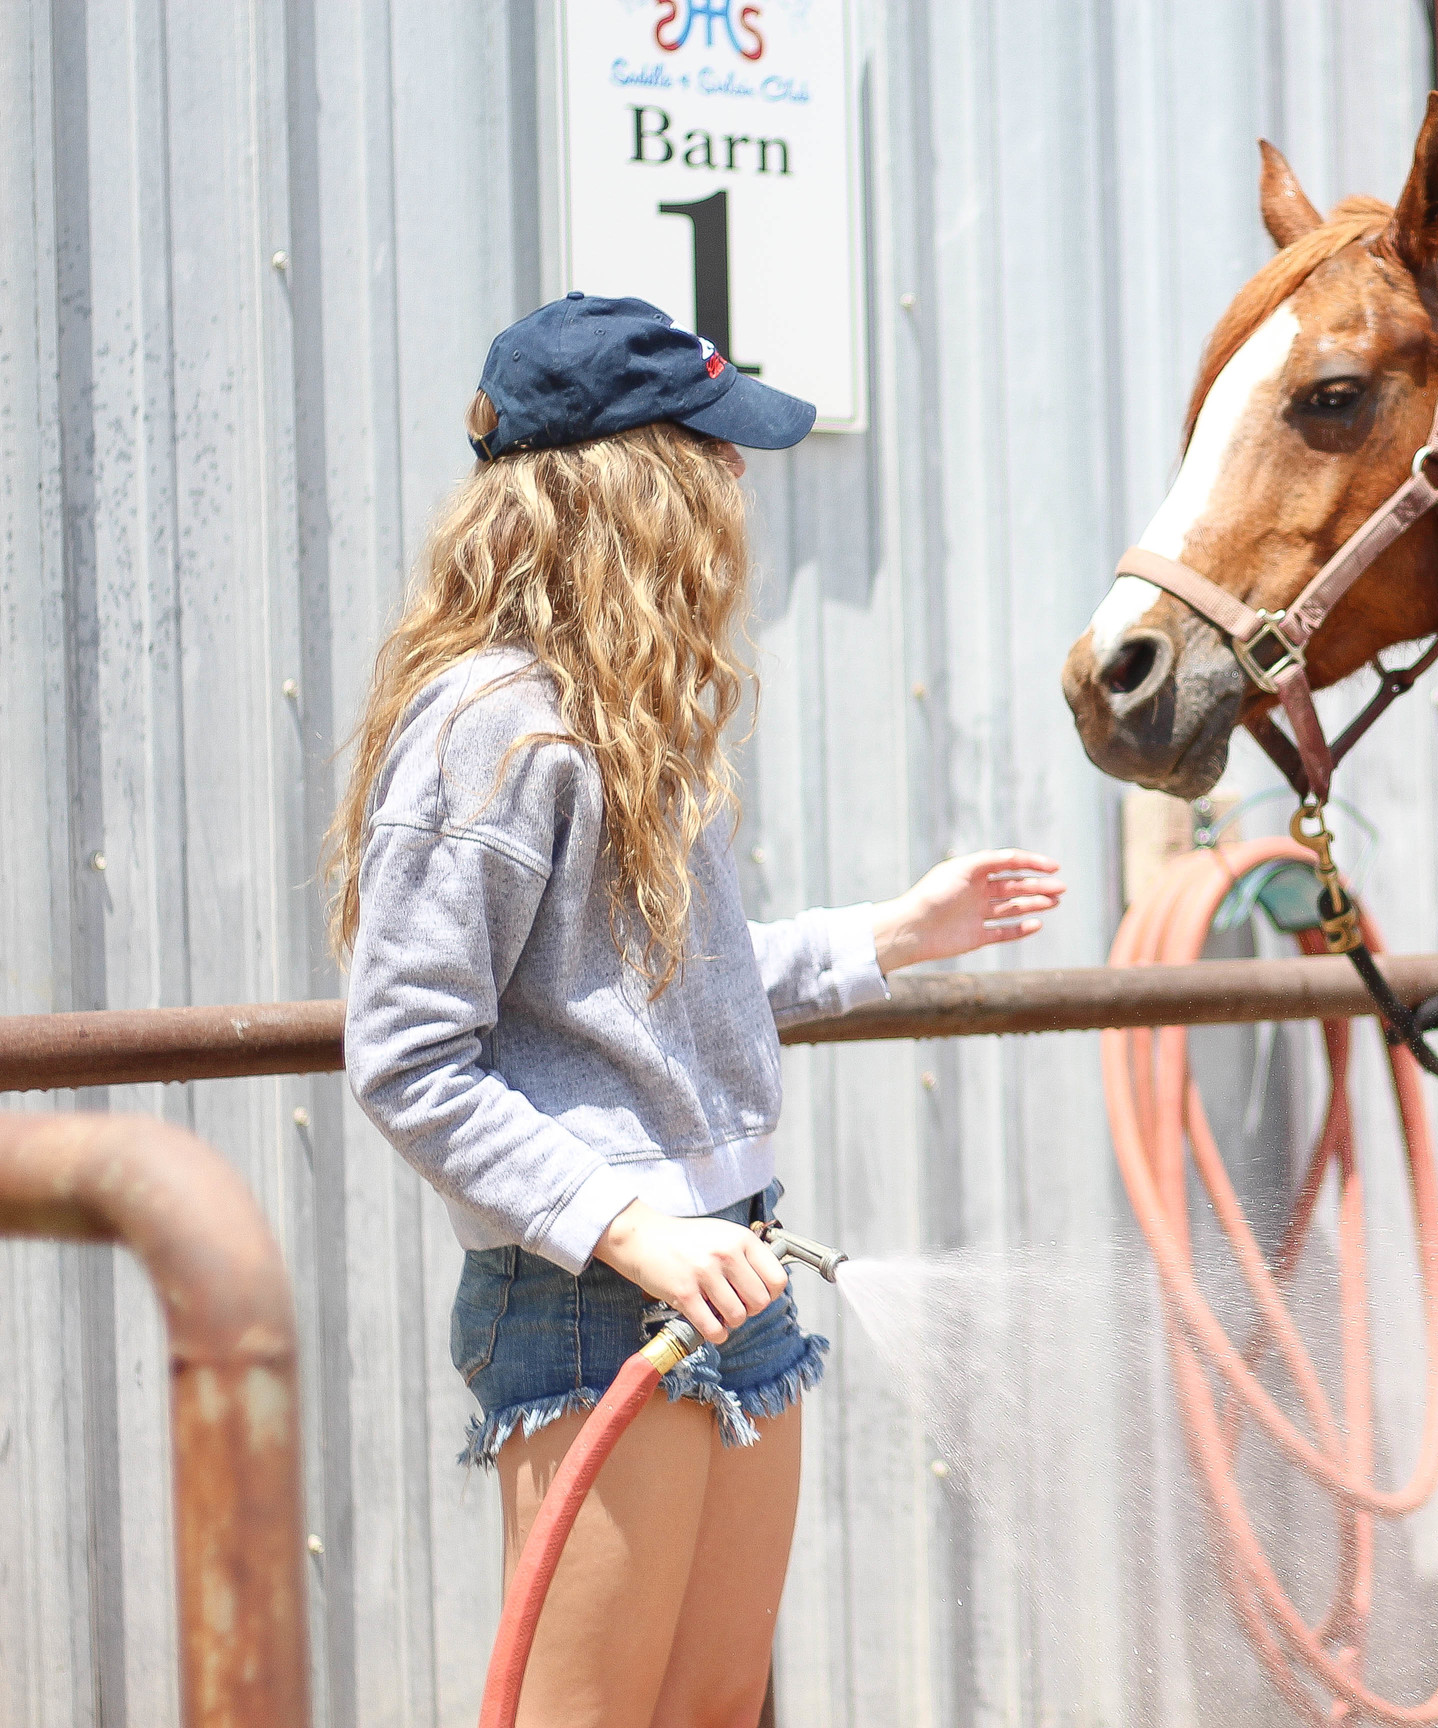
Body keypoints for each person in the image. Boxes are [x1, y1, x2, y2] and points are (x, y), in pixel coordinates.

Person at [328, 292, 1065, 1726]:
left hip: (735, 1272)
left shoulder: (627, 721)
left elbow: (671, 999)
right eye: (711, 454)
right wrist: (629, 1227)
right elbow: (409, 1057)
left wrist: (895, 938)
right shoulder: (495, 724)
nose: (737, 487)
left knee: (719, 1705)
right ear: (625, 483)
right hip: (596, 1301)